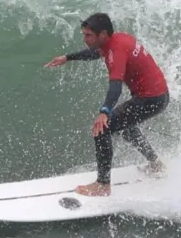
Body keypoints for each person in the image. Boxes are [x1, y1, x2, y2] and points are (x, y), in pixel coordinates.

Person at [44, 13, 169, 197]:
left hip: (151, 99)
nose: (84, 39)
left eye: (88, 35)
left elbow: (115, 87)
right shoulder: (117, 39)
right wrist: (68, 58)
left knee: (102, 128)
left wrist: (104, 112)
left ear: (102, 34)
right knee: (126, 127)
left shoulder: (116, 51)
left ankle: (103, 185)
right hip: (159, 96)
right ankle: (155, 164)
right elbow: (96, 53)